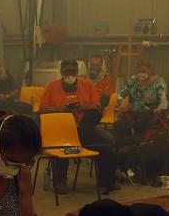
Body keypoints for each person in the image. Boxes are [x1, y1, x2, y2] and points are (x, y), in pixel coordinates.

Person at [39, 59, 117, 195]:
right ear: (61, 72)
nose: (69, 72)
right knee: (65, 144)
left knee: (108, 141)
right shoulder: (51, 87)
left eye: (72, 70)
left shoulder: (87, 85)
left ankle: (107, 180)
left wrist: (84, 107)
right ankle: (60, 180)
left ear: (77, 72)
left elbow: (97, 108)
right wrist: (59, 109)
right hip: (61, 129)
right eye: (66, 69)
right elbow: (42, 110)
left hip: (84, 126)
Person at [115, 57, 169, 139]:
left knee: (141, 123)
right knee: (120, 125)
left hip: (149, 115)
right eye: (139, 71)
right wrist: (123, 104)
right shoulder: (133, 80)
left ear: (150, 70)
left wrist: (159, 109)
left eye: (143, 71)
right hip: (131, 113)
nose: (141, 74)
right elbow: (119, 95)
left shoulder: (158, 82)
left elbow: (164, 102)